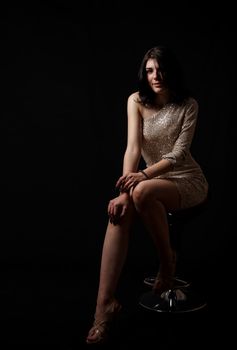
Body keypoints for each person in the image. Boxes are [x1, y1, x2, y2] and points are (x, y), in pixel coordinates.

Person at [86, 45, 209, 344]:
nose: (156, 76)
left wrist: (141, 177)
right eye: (150, 70)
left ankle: (167, 265)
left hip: (186, 180)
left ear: (172, 71)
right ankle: (104, 307)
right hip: (147, 181)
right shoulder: (136, 101)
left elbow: (180, 155)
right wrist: (123, 192)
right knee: (122, 209)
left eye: (161, 69)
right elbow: (133, 148)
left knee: (140, 190)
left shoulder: (188, 104)